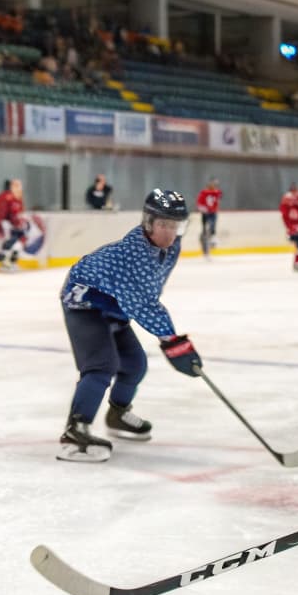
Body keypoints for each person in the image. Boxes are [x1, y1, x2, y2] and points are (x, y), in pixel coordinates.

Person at [56, 189, 197, 462]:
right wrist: (173, 341)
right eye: (163, 225)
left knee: (134, 364)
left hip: (114, 304)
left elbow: (147, 294)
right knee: (101, 366)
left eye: (176, 226)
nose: (170, 233)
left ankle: (118, 414)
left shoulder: (170, 246)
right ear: (148, 222)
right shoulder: (134, 255)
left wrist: (172, 340)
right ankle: (75, 432)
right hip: (85, 302)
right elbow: (143, 304)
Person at [0, 178, 29, 272]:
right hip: (7, 224)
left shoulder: (17, 198)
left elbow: (19, 212)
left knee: (19, 243)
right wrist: (2, 223)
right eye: (15, 186)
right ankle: (5, 262)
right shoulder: (6, 197)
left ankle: (10, 262)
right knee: (11, 242)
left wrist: (20, 222)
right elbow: (1, 212)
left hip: (14, 225)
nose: (19, 188)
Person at [196, 178, 222, 259]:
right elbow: (199, 202)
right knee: (205, 230)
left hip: (213, 212)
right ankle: (206, 248)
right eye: (212, 184)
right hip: (205, 213)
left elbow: (217, 199)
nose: (214, 186)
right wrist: (202, 208)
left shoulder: (217, 192)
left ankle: (213, 238)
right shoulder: (204, 192)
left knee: (212, 227)